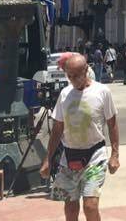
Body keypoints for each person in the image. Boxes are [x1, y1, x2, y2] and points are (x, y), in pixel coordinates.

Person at [41, 53, 119, 221]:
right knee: (70, 208)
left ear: (86, 70)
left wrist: (115, 155)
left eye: (77, 75)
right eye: (70, 76)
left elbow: (112, 124)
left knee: (90, 206)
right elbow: (57, 129)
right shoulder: (64, 94)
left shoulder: (102, 92)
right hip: (69, 158)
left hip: (95, 156)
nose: (73, 80)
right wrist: (48, 159)